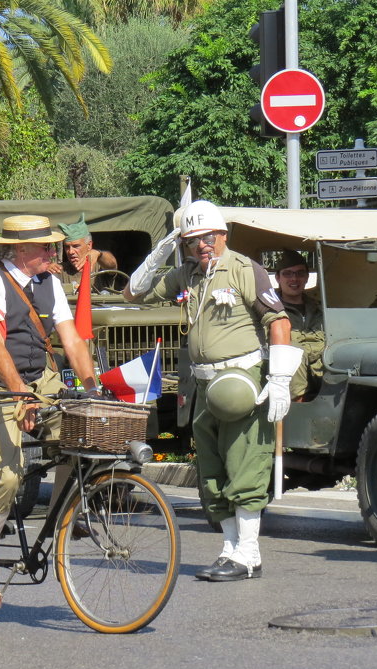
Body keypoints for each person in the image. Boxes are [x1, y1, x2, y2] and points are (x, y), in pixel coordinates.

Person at [124, 200, 301, 581]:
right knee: (212, 468)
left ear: (222, 235)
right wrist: (158, 253)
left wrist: (280, 379)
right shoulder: (188, 274)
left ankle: (249, 552)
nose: (201, 246)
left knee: (245, 464)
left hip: (240, 381)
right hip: (204, 384)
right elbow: (132, 295)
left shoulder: (243, 269)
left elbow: (279, 321)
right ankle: (229, 549)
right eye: (192, 241)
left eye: (207, 237)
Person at [0, 215, 98, 610]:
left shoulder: (48, 282)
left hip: (42, 382)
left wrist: (92, 389)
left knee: (86, 435)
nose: (54, 253)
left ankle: (58, 527)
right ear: (20, 250)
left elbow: (70, 338)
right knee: (6, 471)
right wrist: (20, 394)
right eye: (45, 247)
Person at [273, 251, 324, 401]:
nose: (294, 279)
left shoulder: (319, 309)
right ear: (278, 278)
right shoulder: (271, 310)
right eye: (287, 274)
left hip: (322, 375)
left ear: (307, 277)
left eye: (300, 273)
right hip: (288, 383)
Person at [59, 213, 121, 293]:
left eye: (76, 246)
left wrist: (99, 254)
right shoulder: (61, 270)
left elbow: (112, 264)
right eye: (67, 247)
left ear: (89, 245)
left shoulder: (100, 266)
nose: (70, 252)